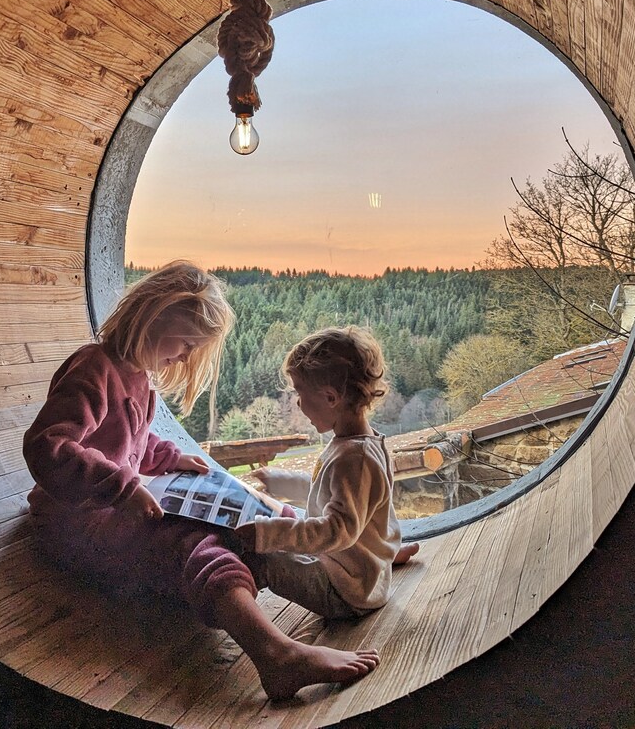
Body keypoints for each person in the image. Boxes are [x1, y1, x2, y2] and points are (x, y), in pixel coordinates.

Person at [21, 261, 381, 700]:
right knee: (193, 543)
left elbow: (129, 439)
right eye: (188, 342)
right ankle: (276, 654)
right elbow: (48, 445)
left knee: (241, 513)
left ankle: (356, 549)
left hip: (111, 505)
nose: (187, 357)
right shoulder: (93, 367)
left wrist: (169, 457)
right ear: (156, 314)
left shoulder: (137, 377)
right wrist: (122, 486)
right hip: (76, 521)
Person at [236, 326, 419, 620]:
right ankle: (378, 558)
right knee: (290, 528)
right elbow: (328, 492)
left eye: (300, 393)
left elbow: (337, 531)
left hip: (347, 593)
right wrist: (278, 481)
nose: (298, 403)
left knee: (261, 559)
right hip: (354, 565)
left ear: (331, 398)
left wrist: (265, 534)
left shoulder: (354, 459)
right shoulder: (362, 443)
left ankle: (237, 612)